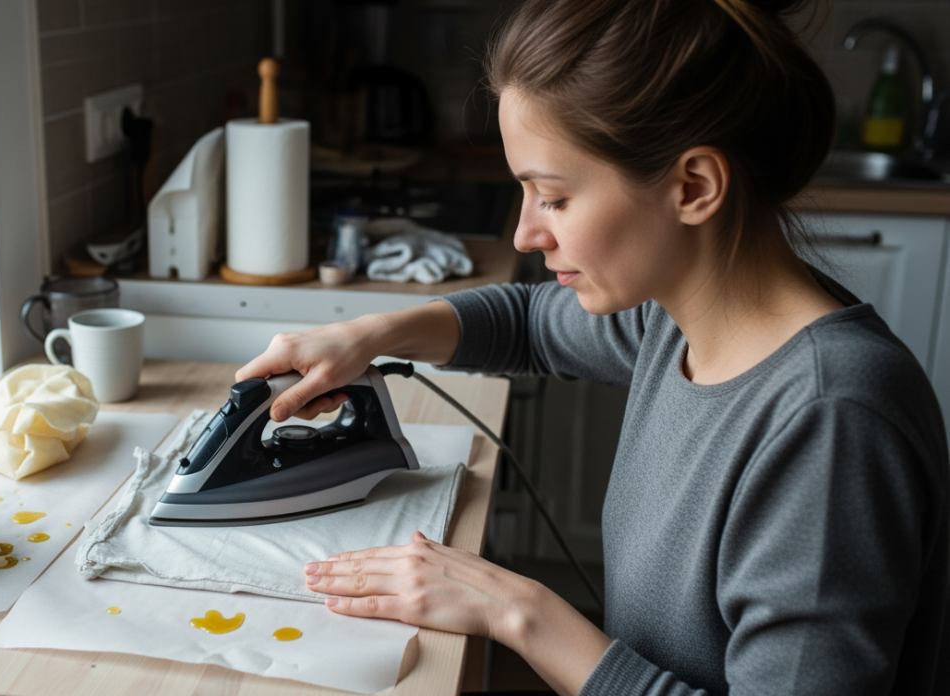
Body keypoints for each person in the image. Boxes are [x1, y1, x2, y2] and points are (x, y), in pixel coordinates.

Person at [234, 0, 950, 693]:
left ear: (693, 187)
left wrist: (520, 612)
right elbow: (525, 322)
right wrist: (367, 335)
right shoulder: (677, 321)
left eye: (553, 197)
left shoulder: (831, 423)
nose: (525, 234)